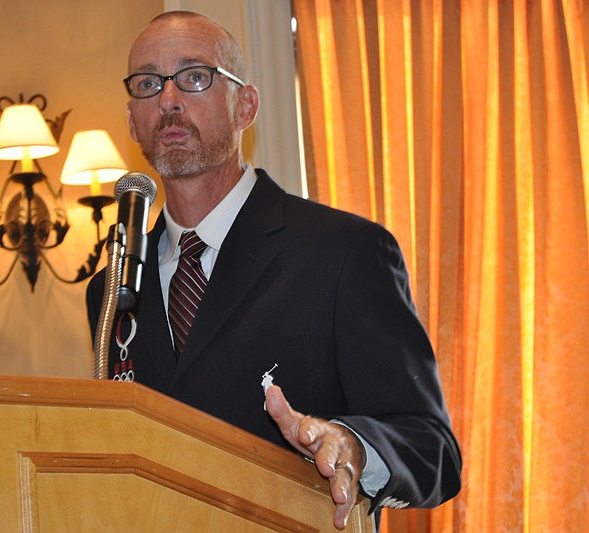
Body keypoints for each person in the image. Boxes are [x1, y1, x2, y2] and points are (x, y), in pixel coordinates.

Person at [87, 10, 461, 530]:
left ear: (246, 105)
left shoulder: (345, 253)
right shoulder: (113, 289)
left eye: (194, 77)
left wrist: (352, 445)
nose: (168, 99)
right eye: (148, 84)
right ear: (132, 121)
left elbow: (431, 451)